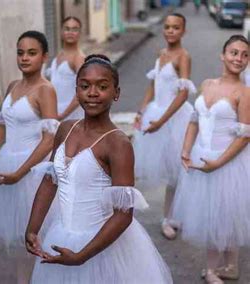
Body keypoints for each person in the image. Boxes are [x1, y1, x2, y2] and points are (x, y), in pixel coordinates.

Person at [25, 54, 173, 284]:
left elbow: (123, 214)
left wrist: (82, 256)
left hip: (100, 246)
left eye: (102, 86)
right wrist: (33, 228)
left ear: (116, 93)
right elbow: (49, 181)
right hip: (62, 235)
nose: (92, 93)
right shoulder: (65, 129)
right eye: (85, 86)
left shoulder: (118, 144)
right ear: (77, 91)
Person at [0, 31, 59, 283]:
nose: (25, 58)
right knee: (17, 240)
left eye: (32, 53)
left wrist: (20, 172)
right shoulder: (13, 86)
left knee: (37, 236)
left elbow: (49, 139)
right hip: (7, 163)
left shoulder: (46, 90)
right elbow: (1, 125)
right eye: (20, 52)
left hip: (31, 171)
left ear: (44, 57)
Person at [172, 35, 250, 284]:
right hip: (201, 155)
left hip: (228, 161)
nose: (239, 58)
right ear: (223, 55)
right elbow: (195, 120)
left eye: (245, 55)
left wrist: (218, 163)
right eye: (234, 52)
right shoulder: (207, 84)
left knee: (223, 215)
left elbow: (245, 136)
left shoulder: (244, 93)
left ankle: (212, 270)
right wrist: (185, 150)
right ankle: (231, 266)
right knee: (219, 214)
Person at [133, 13, 196, 240]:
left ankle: (170, 218)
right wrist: (141, 111)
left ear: (183, 31)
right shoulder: (161, 54)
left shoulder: (183, 56)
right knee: (165, 172)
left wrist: (162, 121)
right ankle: (169, 215)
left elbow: (183, 92)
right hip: (156, 111)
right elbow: (153, 85)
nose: (170, 31)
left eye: (176, 27)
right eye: (167, 27)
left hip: (175, 117)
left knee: (176, 174)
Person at [46, 16, 85, 121]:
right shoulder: (59, 55)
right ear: (61, 32)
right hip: (55, 114)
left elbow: (82, 92)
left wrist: (63, 115)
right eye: (67, 29)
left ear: (80, 33)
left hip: (71, 117)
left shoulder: (78, 58)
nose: (70, 32)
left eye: (74, 29)